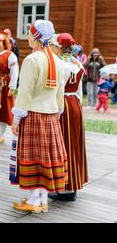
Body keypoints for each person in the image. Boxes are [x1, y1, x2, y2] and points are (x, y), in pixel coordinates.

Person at [11, 20, 67, 214]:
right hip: (51, 115)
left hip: (33, 114)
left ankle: (34, 202)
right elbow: (60, 93)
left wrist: (16, 119)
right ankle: (42, 201)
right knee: (46, 159)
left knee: (34, 158)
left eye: (29, 32)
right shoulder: (58, 61)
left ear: (35, 36)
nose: (27, 35)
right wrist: (57, 112)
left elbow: (25, 93)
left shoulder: (32, 59)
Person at [49, 33, 88, 201]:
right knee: (73, 143)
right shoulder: (77, 62)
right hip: (75, 103)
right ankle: (72, 183)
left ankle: (64, 187)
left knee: (62, 143)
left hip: (62, 103)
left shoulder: (59, 63)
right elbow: (78, 89)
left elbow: (57, 88)